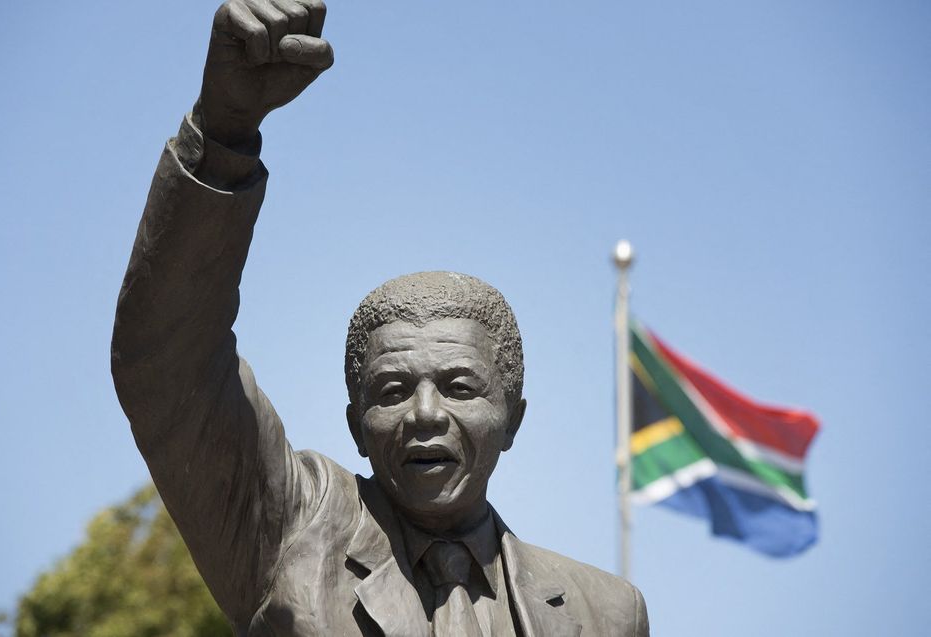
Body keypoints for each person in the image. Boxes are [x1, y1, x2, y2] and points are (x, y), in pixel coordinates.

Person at [112, 1, 649, 635]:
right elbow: (169, 365)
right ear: (355, 425)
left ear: (513, 419)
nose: (425, 414)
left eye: (459, 386)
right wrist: (223, 133)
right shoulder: (294, 533)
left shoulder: (605, 612)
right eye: (392, 391)